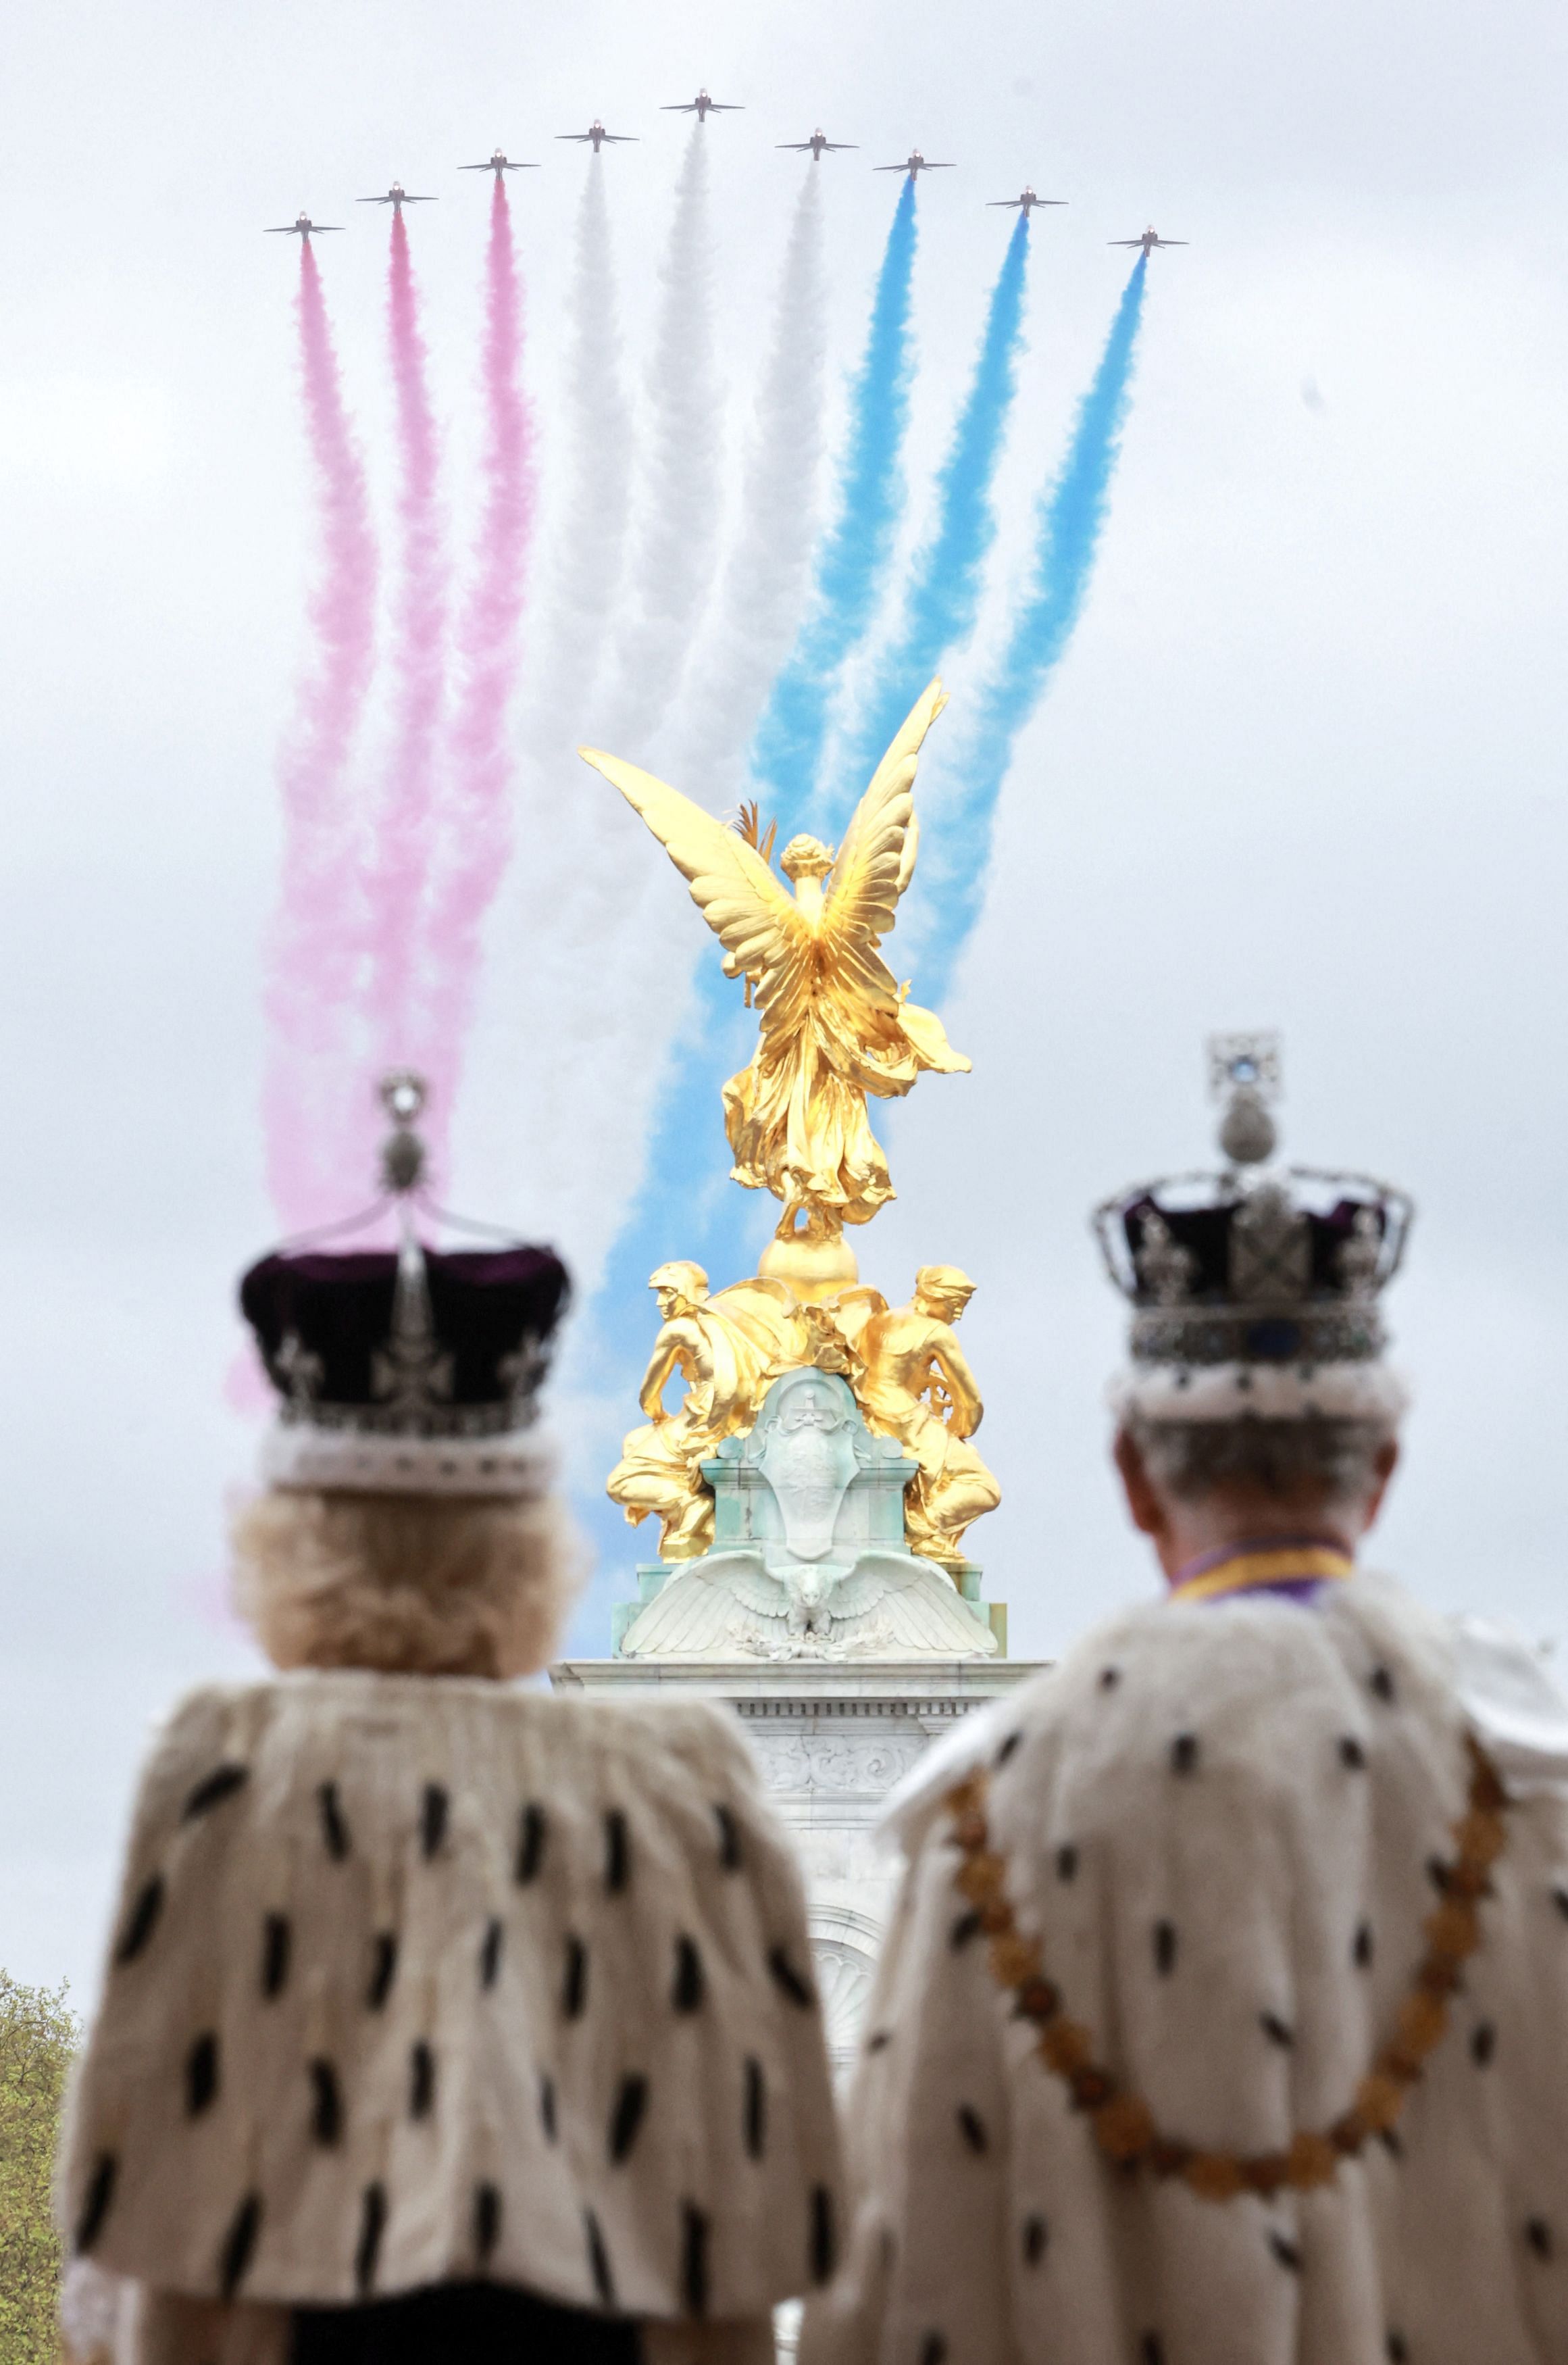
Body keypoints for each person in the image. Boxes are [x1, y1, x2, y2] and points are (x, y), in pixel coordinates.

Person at [801, 1037, 1568, 2365]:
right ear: (1381, 1467)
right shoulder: (1539, 1784)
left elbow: (889, 2285)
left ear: (1134, 1477)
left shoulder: (990, 1813)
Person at [59, 1078, 842, 2365]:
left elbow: (130, 2227)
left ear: (287, 1543)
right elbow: (764, 2223)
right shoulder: (684, 1781)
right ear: (532, 1546)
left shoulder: (225, 1768)